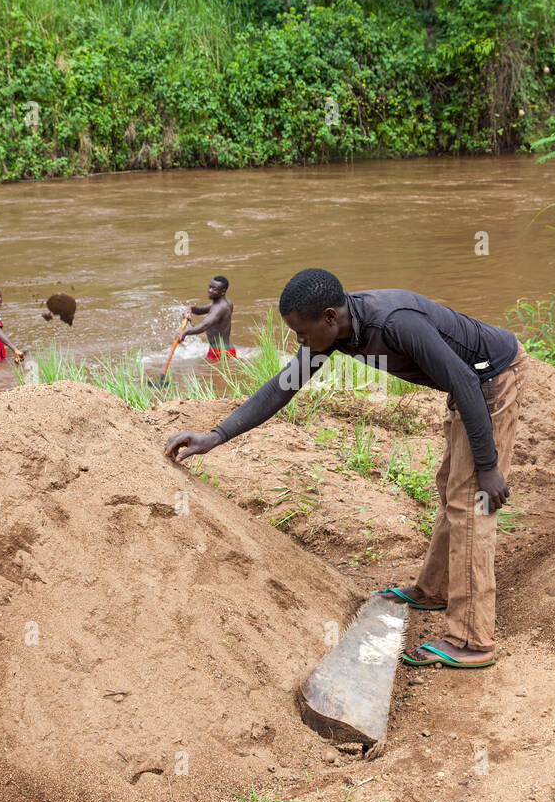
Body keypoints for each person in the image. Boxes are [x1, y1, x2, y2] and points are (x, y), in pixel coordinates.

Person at [164, 269, 530, 670]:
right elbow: (283, 385)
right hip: (468, 386)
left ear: (328, 317)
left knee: (471, 503)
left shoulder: (394, 322)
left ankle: (473, 640)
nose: (299, 343)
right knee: (451, 490)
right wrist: (215, 436)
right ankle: (434, 589)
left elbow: (464, 378)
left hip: (490, 378)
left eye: (302, 334)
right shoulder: (336, 329)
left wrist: (489, 466)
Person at [180, 276, 235, 361]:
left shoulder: (220, 307)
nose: (210, 291)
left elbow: (205, 325)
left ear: (223, 291)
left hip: (220, 353)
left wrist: (185, 332)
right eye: (210, 287)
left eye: (214, 289)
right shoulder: (223, 303)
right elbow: (201, 309)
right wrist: (190, 309)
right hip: (222, 350)